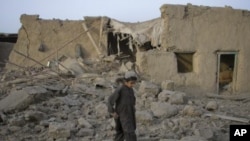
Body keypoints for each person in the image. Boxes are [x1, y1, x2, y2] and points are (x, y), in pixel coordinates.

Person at [107, 71, 138, 141]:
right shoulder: (120, 89)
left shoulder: (131, 90)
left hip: (129, 114)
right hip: (122, 115)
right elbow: (110, 100)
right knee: (129, 133)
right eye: (131, 83)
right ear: (126, 81)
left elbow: (132, 101)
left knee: (121, 133)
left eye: (134, 83)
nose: (133, 85)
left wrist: (133, 108)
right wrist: (112, 111)